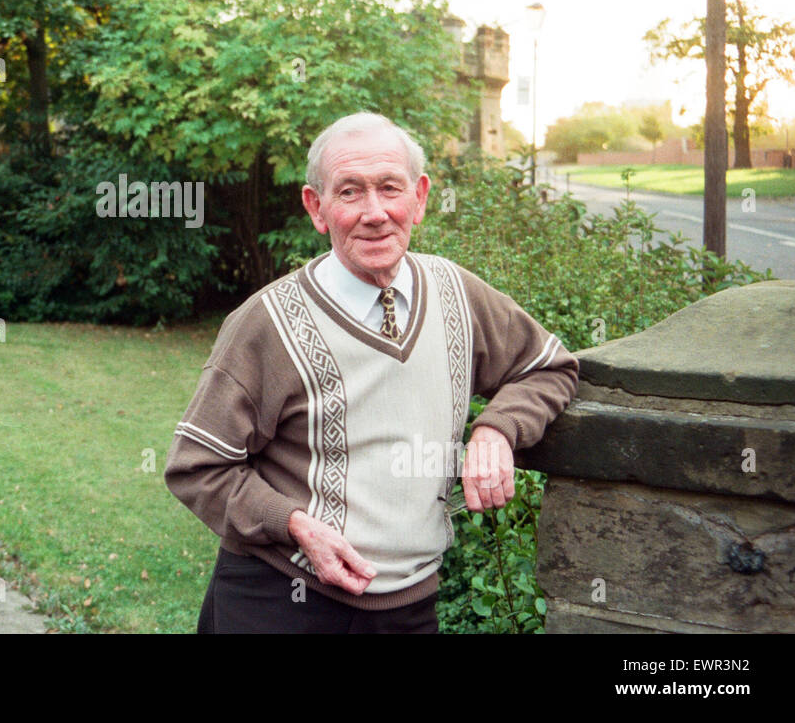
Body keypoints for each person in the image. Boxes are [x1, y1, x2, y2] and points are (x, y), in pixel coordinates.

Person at [164, 111, 579, 633]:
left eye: (390, 188)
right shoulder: (264, 324)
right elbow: (195, 466)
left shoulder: (457, 293)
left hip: (409, 610)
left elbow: (549, 367)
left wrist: (498, 428)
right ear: (317, 208)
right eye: (351, 192)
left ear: (421, 197)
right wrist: (292, 525)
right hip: (280, 601)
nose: (376, 212)